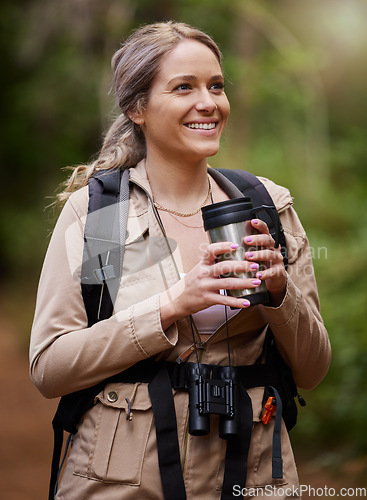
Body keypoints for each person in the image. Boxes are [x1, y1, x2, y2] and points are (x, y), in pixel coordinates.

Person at [30, 21, 331, 500]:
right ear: (137, 107)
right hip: (120, 483)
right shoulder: (99, 216)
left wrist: (280, 294)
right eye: (183, 87)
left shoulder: (266, 207)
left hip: (254, 475)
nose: (208, 102)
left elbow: (313, 370)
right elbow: (50, 367)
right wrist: (171, 305)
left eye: (216, 86)